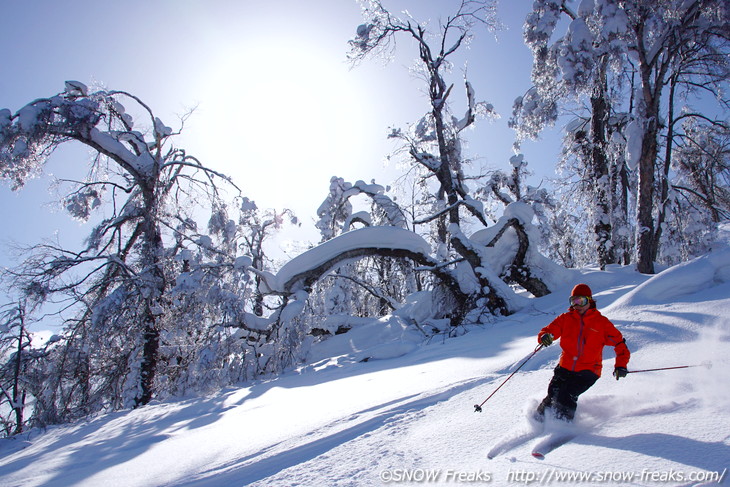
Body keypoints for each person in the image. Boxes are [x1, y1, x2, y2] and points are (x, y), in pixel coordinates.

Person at [535, 283, 630, 422]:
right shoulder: (565, 319)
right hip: (565, 367)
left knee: (566, 395)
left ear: (589, 300)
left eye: (581, 301)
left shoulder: (601, 323)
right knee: (552, 394)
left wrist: (621, 365)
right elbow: (548, 331)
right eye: (573, 301)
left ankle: (562, 427)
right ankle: (537, 421)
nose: (577, 305)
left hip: (588, 371)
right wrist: (545, 336)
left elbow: (620, 344)